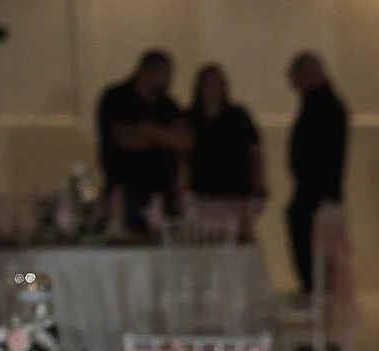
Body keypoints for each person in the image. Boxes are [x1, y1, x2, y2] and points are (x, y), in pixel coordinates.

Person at [96, 50, 192, 231]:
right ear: (147, 71)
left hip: (163, 194)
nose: (169, 79)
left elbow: (185, 141)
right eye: (165, 73)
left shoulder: (167, 105)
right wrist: (165, 137)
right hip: (127, 194)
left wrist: (150, 131)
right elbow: (124, 140)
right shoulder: (117, 98)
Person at [286, 52, 349, 294]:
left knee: (316, 247)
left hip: (318, 192)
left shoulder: (326, 107)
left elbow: (323, 155)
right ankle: (315, 288)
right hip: (315, 190)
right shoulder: (318, 104)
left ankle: (316, 289)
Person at [186, 64, 264, 208]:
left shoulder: (238, 116)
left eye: (216, 84)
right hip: (201, 195)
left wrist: (258, 189)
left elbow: (255, 154)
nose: (212, 89)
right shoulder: (191, 119)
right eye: (208, 85)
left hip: (237, 194)